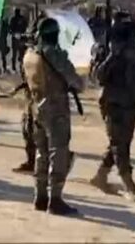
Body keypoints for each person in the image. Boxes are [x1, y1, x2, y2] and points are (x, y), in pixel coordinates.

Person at [23, 17, 84, 216]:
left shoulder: (30, 55)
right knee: (59, 151)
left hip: (36, 107)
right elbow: (77, 82)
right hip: (55, 108)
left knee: (41, 151)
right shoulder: (53, 54)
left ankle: (40, 196)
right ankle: (55, 199)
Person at [89, 18, 135, 203]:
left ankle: (100, 176)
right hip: (114, 105)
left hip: (129, 104)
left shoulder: (132, 53)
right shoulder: (113, 53)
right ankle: (129, 185)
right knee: (119, 145)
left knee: (121, 142)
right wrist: (113, 56)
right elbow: (99, 76)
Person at [9, 7, 29, 73]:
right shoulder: (22, 19)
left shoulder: (13, 19)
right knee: (20, 53)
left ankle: (15, 67)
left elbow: (10, 29)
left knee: (15, 54)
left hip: (16, 38)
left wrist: (14, 34)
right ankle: (21, 67)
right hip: (21, 37)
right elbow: (25, 27)